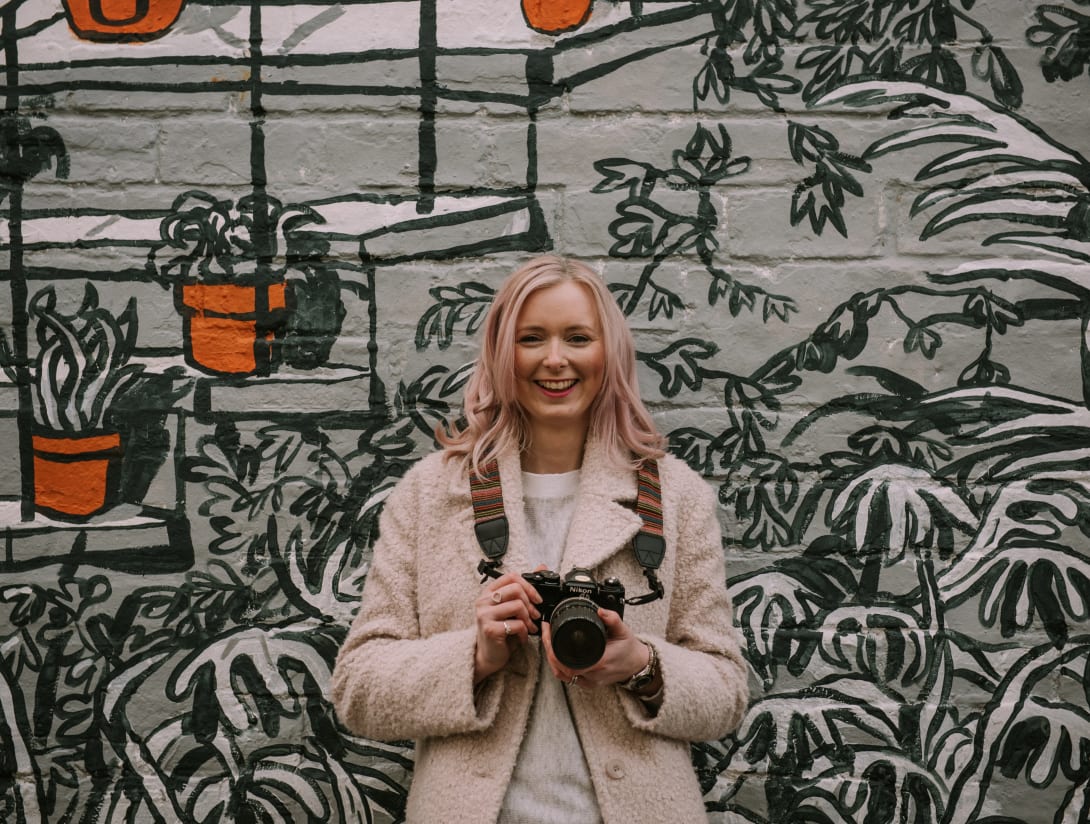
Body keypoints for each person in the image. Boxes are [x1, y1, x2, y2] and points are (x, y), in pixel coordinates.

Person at [331, 255, 749, 823]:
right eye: (532, 338)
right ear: (504, 353)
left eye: (578, 337)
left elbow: (726, 692)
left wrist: (641, 665)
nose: (555, 359)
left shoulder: (675, 496)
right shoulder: (430, 494)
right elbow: (358, 690)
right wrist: (475, 655)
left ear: (610, 352)